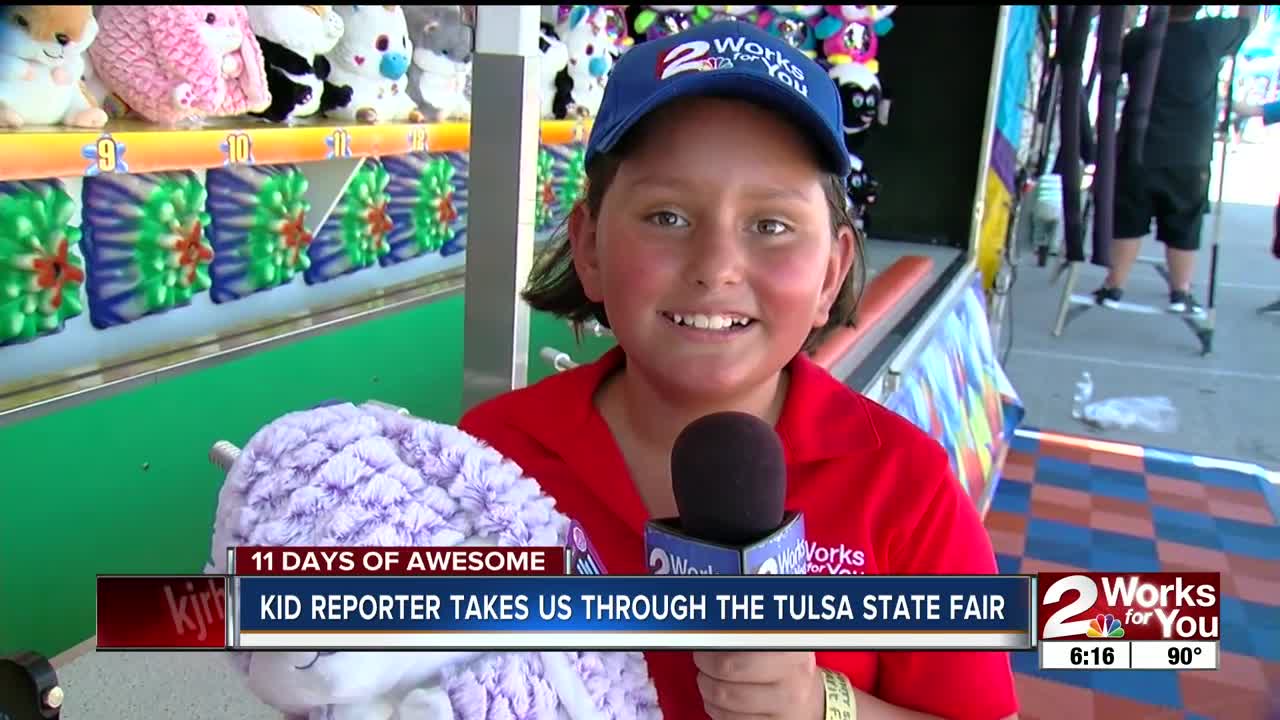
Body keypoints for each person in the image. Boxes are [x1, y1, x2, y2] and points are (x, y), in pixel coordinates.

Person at [459, 19, 1018, 720]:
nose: (716, 267)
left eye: (771, 225)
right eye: (666, 216)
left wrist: (822, 705)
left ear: (831, 273)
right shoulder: (488, 455)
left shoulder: (903, 485)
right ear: (590, 248)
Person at [1096, 4, 1259, 314]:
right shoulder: (1212, 34)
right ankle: (1180, 291)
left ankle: (1114, 284)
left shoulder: (1143, 39)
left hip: (1138, 148)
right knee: (1185, 221)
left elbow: (1114, 59)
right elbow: (1246, 22)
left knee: (1128, 219)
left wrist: (1128, 16)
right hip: (1189, 152)